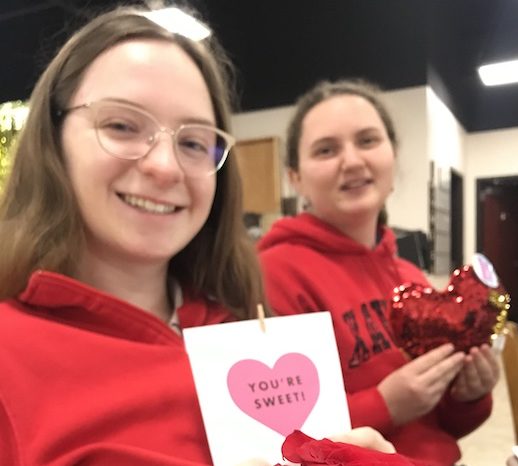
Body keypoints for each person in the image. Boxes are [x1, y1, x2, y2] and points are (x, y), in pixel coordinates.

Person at [0, 7, 408, 466]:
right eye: (121, 125)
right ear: (52, 140)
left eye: (193, 142)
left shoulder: (242, 319)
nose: (164, 166)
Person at [258, 79, 500, 466]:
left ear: (393, 154)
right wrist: (384, 405)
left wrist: (469, 395)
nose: (352, 161)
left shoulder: (410, 276)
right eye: (326, 149)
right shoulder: (273, 275)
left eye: (367, 141)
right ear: (295, 177)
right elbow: (276, 440)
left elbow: (439, 428)